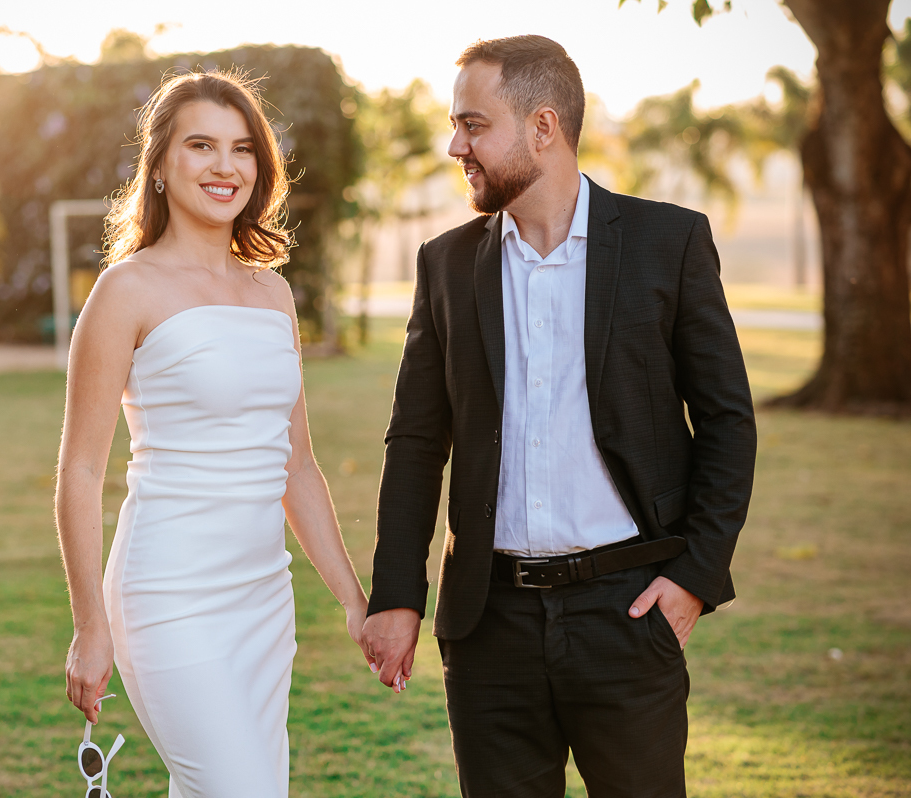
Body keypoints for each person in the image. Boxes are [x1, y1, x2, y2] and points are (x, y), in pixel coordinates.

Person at [361, 36, 757, 797]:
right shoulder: (445, 264)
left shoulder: (665, 242)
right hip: (487, 627)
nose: (455, 146)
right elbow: (415, 442)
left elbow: (727, 421)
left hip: (628, 615)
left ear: (544, 127)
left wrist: (694, 577)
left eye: (473, 125)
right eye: (455, 126)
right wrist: (398, 594)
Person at [55, 70, 370, 798]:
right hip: (167, 596)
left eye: (242, 149)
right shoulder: (125, 291)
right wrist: (89, 624)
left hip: (263, 599)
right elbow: (78, 472)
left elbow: (297, 467)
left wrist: (353, 601)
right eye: (201, 146)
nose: (224, 167)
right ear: (161, 163)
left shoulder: (273, 292)